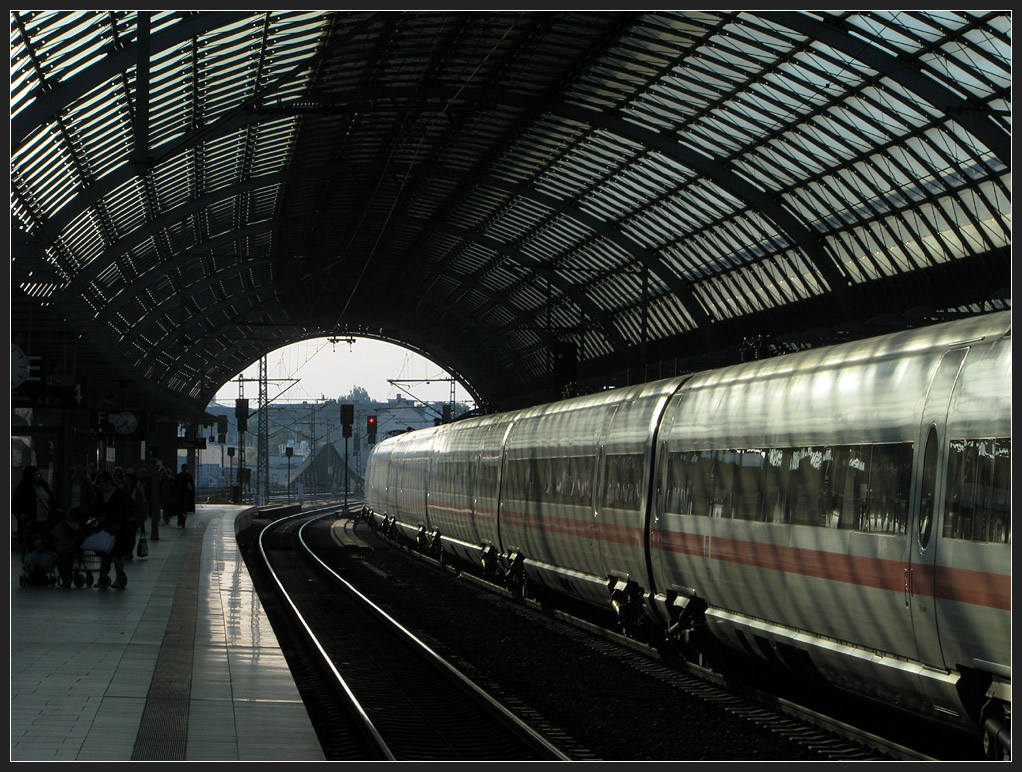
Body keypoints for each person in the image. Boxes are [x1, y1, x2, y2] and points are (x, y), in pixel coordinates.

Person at [91, 471, 128, 588]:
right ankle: (103, 576)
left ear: (108, 482)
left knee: (117, 553)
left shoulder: (118, 493)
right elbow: (95, 509)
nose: (100, 487)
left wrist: (110, 519)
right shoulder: (100, 494)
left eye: (101, 484)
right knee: (105, 552)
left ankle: (119, 576)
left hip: (117, 527)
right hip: (104, 527)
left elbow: (122, 511)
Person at [12, 466, 57, 557]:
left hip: (46, 520)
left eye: (38, 475)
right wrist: (21, 515)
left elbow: (51, 501)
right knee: (33, 545)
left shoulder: (43, 486)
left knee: (45, 543)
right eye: (36, 475)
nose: (38, 477)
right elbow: (15, 505)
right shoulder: (22, 489)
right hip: (32, 521)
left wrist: (55, 510)